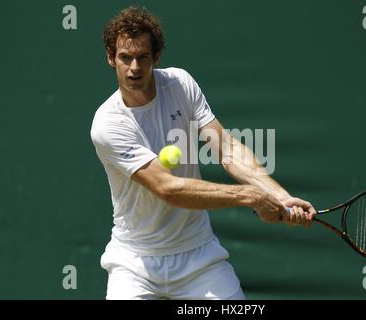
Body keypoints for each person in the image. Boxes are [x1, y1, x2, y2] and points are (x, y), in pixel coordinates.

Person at [90, 6, 316, 300]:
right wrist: (250, 196)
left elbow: (227, 149)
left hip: (199, 258)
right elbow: (168, 188)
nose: (134, 67)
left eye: (143, 57)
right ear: (111, 58)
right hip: (136, 264)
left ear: (155, 57)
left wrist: (279, 196)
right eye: (125, 57)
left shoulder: (180, 84)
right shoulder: (108, 123)